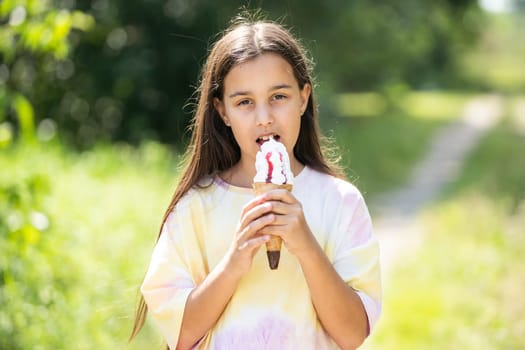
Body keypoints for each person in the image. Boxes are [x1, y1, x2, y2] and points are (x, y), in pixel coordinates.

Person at [130, 14, 381, 350]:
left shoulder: (339, 201)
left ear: (303, 98)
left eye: (279, 96)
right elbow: (180, 334)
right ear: (222, 112)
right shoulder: (196, 208)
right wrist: (234, 261)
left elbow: (352, 334)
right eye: (244, 102)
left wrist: (306, 246)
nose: (264, 118)